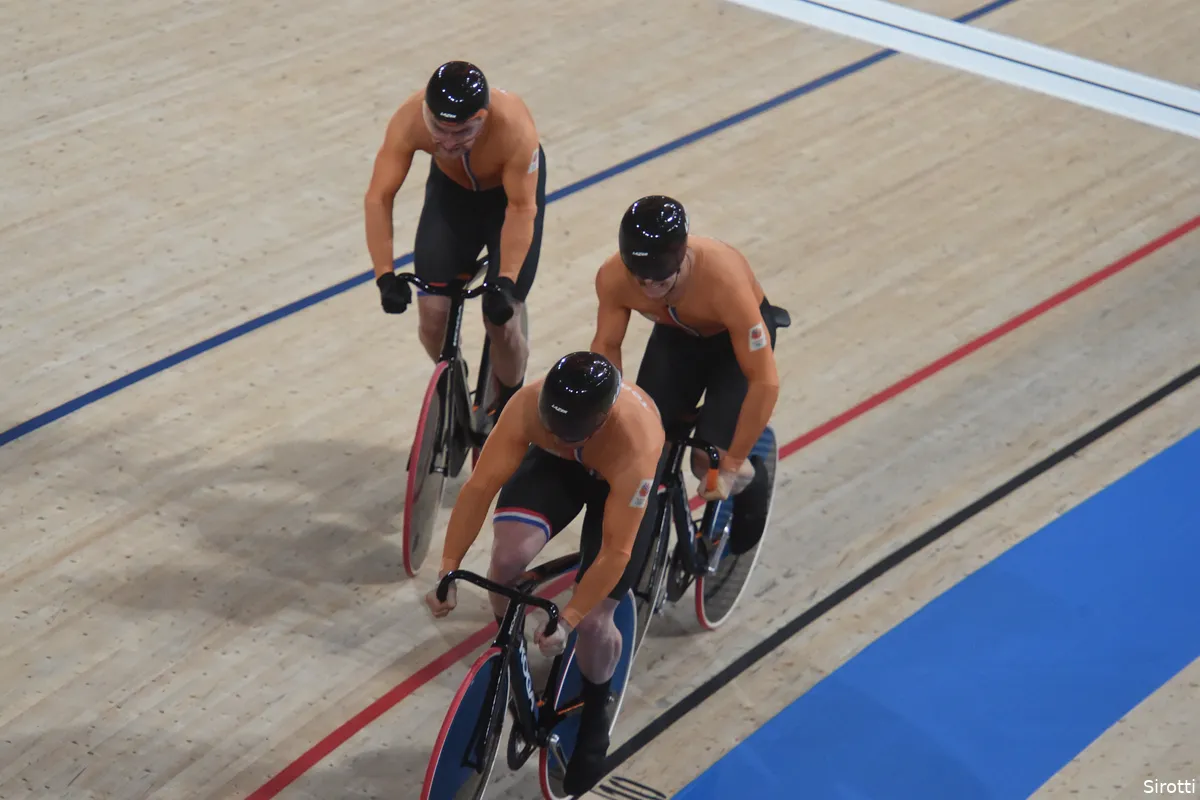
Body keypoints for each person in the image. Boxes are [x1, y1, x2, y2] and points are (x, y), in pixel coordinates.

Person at [424, 351, 665, 795]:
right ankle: (512, 660)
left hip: (617, 478)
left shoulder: (637, 440)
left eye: (568, 428)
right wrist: (449, 568)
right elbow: (479, 487)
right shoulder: (529, 407)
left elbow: (616, 550)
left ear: (599, 419)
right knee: (507, 559)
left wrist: (570, 618)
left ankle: (595, 716)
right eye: (552, 423)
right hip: (559, 464)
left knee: (595, 620)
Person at [589, 195, 782, 554]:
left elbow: (764, 381)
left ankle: (751, 481)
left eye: (660, 282)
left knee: (705, 463)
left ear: (680, 258)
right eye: (641, 281)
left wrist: (732, 464)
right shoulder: (614, 277)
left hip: (733, 345)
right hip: (678, 339)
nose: (648, 289)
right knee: (642, 446)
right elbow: (606, 348)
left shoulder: (723, 279)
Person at [364, 60, 546, 418]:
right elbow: (378, 197)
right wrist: (384, 275)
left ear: (483, 117)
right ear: (427, 113)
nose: (447, 142)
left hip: (507, 203)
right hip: (453, 196)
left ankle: (508, 404)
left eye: (462, 132)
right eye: (439, 129)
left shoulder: (515, 129)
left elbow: (522, 210)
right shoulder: (409, 119)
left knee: (502, 322)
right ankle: (454, 381)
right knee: (432, 316)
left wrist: (505, 282)